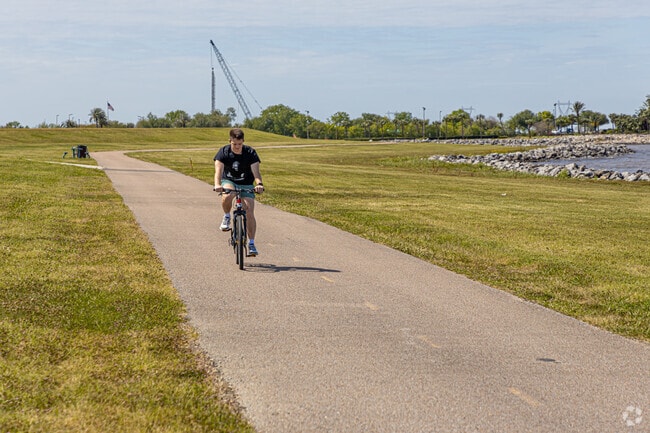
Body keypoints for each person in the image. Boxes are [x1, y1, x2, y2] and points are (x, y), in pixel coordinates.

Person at [213, 128, 265, 256]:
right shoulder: (223, 152)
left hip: (247, 183)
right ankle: (226, 217)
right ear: (230, 141)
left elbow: (256, 172)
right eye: (234, 144)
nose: (237, 147)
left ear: (243, 142)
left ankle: (251, 243)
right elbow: (218, 171)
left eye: (240, 144)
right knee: (228, 194)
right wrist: (217, 184)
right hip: (229, 180)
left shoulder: (250, 152)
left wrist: (259, 184)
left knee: (249, 210)